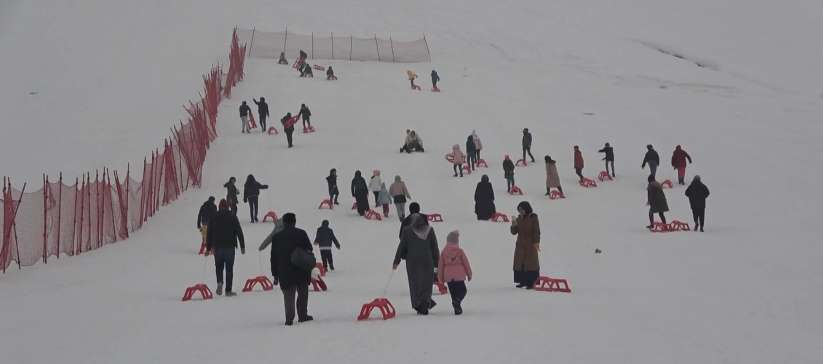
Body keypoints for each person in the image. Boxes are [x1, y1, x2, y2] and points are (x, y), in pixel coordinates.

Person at [269, 213, 314, 326]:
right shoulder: (301, 233)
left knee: (288, 295)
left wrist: (275, 274)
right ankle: (302, 315)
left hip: (285, 271)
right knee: (303, 293)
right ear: (294, 222)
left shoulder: (277, 237)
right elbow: (309, 248)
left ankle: (289, 318)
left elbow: (273, 257)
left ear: (284, 223)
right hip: (301, 268)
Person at [393, 213, 440, 315]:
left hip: (412, 262)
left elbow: (401, 247)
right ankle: (425, 303)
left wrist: (396, 261)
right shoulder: (429, 230)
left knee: (414, 284)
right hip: (427, 261)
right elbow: (434, 248)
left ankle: (418, 304)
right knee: (426, 283)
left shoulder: (407, 231)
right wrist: (437, 263)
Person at [206, 199, 245, 296]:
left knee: (218, 266)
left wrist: (208, 247)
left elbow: (209, 232)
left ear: (219, 207)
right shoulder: (232, 216)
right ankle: (228, 290)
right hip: (230, 246)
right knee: (229, 268)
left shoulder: (214, 216)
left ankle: (219, 282)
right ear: (227, 206)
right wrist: (242, 246)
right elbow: (239, 231)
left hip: (217, 246)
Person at [437, 230, 472, 315]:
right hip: (459, 276)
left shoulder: (444, 252)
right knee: (463, 291)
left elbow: (440, 266)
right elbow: (466, 263)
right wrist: (469, 274)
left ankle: (457, 309)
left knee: (453, 293)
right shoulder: (460, 251)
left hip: (448, 277)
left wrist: (440, 277)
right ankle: (458, 302)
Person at [511, 201, 540, 289]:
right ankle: (522, 281)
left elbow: (536, 231)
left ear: (526, 209)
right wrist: (514, 224)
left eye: (522, 210)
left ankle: (531, 283)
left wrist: (536, 242)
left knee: (530, 264)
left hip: (530, 245)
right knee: (521, 263)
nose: (520, 212)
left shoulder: (533, 217)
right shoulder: (519, 218)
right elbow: (514, 232)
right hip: (520, 245)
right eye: (519, 210)